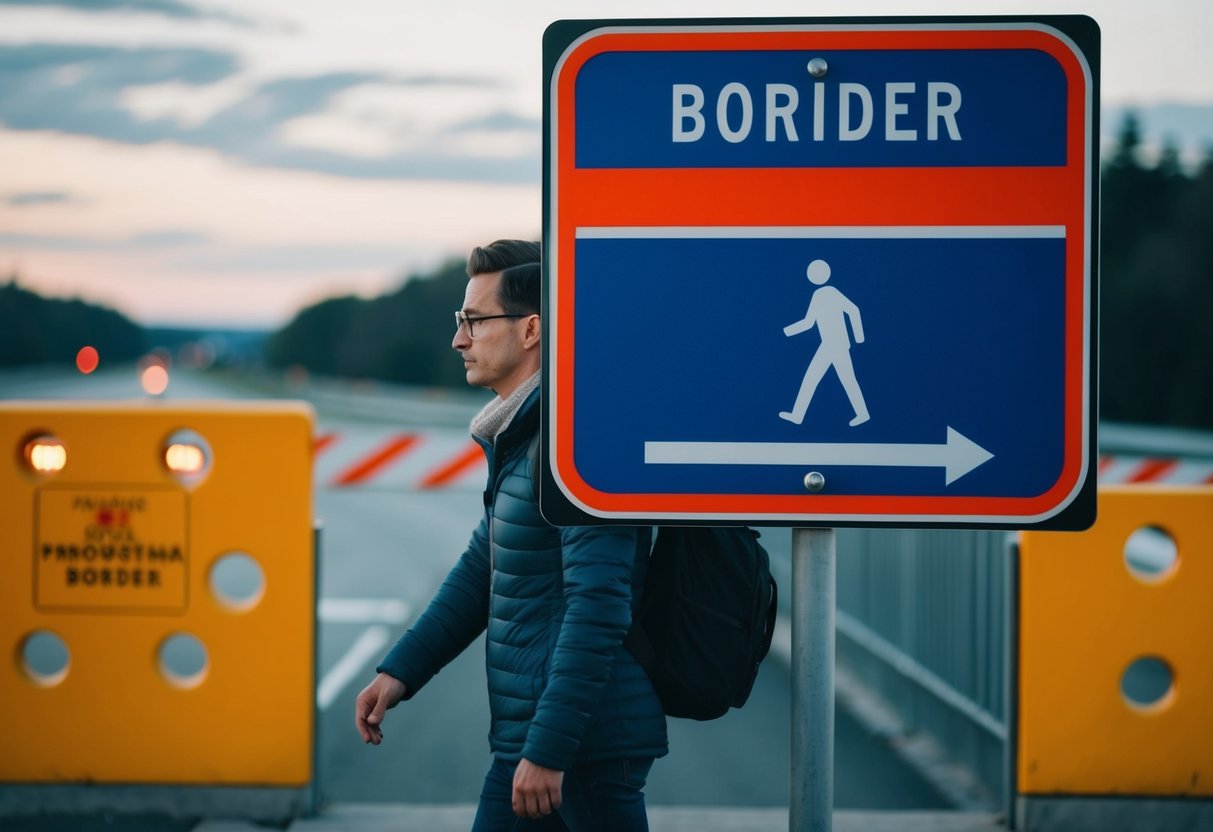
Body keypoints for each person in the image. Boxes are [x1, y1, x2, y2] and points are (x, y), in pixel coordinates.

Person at [354, 241, 667, 831]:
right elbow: (483, 567)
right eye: (459, 322)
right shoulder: (526, 438)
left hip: (581, 746)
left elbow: (598, 606)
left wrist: (550, 751)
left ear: (531, 330)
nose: (458, 339)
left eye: (474, 321)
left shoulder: (575, 449)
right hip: (540, 738)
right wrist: (400, 671)